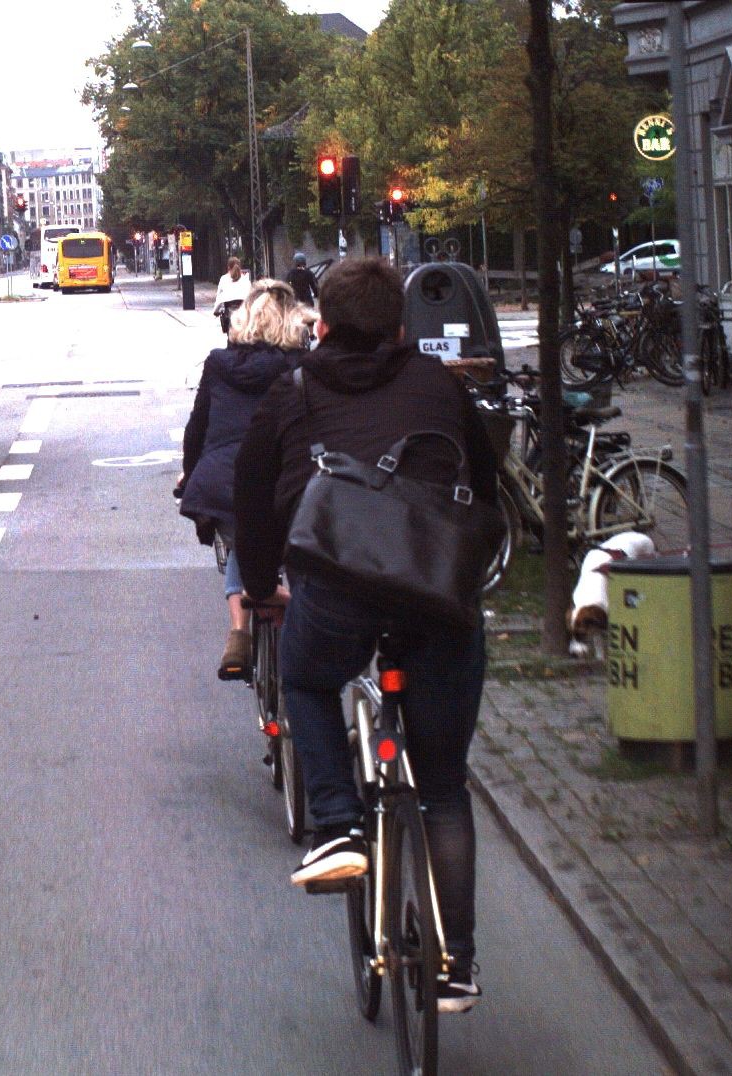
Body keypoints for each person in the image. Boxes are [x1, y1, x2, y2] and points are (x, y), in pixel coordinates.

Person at [232, 256, 501, 1015]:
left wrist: (262, 587)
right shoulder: (440, 386)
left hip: (338, 590)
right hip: (435, 597)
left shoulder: (294, 390)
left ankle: (340, 824)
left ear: (322, 324)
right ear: (400, 327)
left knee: (307, 677)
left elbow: (252, 496)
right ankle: (456, 965)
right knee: (443, 786)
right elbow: (485, 485)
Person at [176, 280, 310, 679]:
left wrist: (190, 472)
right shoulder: (301, 367)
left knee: (242, 536)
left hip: (222, 480)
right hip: (287, 481)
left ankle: (239, 633)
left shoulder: (219, 364)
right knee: (295, 543)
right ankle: (298, 617)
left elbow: (197, 428)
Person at [212, 257, 251, 334]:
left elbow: (219, 297)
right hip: (243, 312)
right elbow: (250, 297)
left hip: (228, 313)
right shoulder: (245, 280)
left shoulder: (223, 279)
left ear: (228, 267)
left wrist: (216, 311)